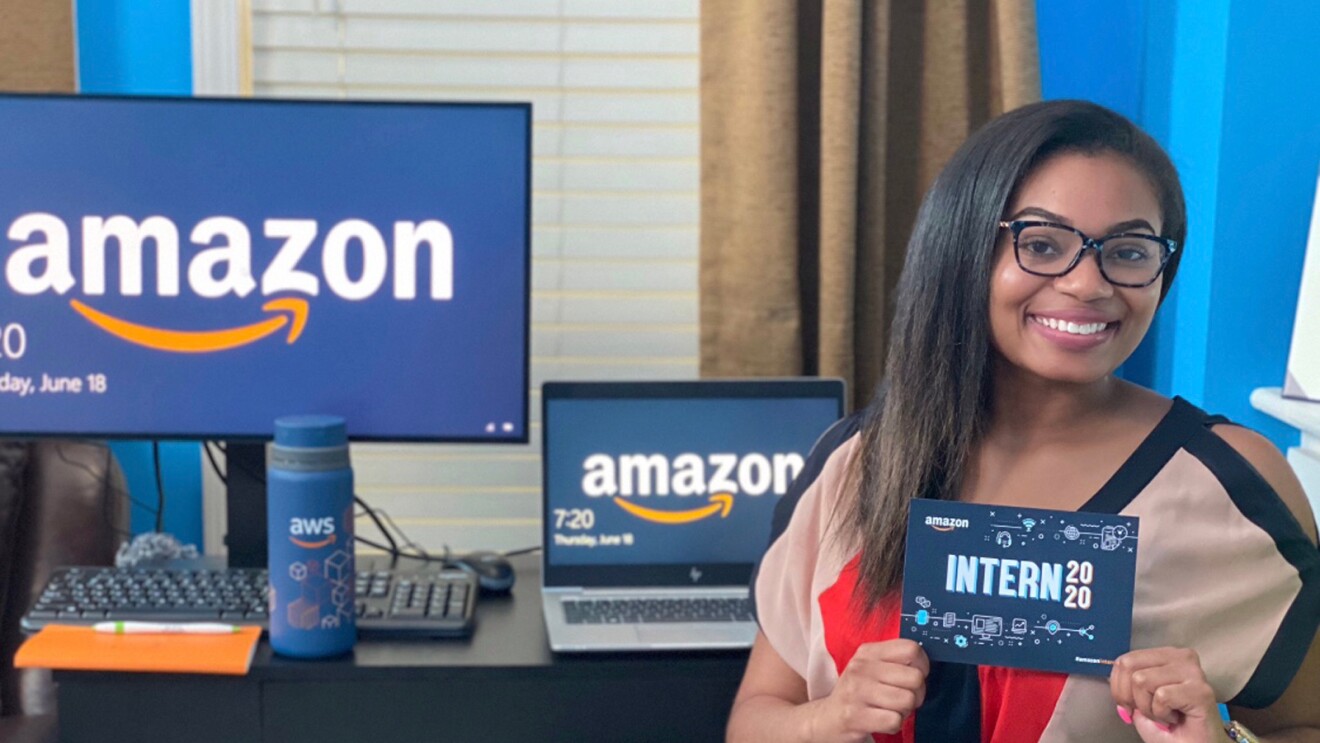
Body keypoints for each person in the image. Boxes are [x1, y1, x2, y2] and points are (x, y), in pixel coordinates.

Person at [726, 100, 1320, 743]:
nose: (1088, 283)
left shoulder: (1231, 482)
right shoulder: (852, 462)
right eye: (1041, 244)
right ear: (965, 246)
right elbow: (755, 718)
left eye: (1127, 251)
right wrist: (829, 718)